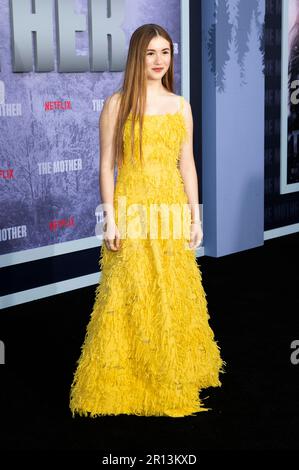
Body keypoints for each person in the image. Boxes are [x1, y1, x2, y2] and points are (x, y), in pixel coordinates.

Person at [69, 23, 225, 418]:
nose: (159, 61)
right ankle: (130, 373)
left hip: (170, 207)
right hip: (132, 207)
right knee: (129, 291)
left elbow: (187, 165)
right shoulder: (116, 105)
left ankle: (173, 368)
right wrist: (110, 219)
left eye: (166, 53)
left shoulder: (180, 105)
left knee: (172, 289)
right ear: (137, 56)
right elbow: (106, 167)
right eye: (151, 53)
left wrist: (196, 215)